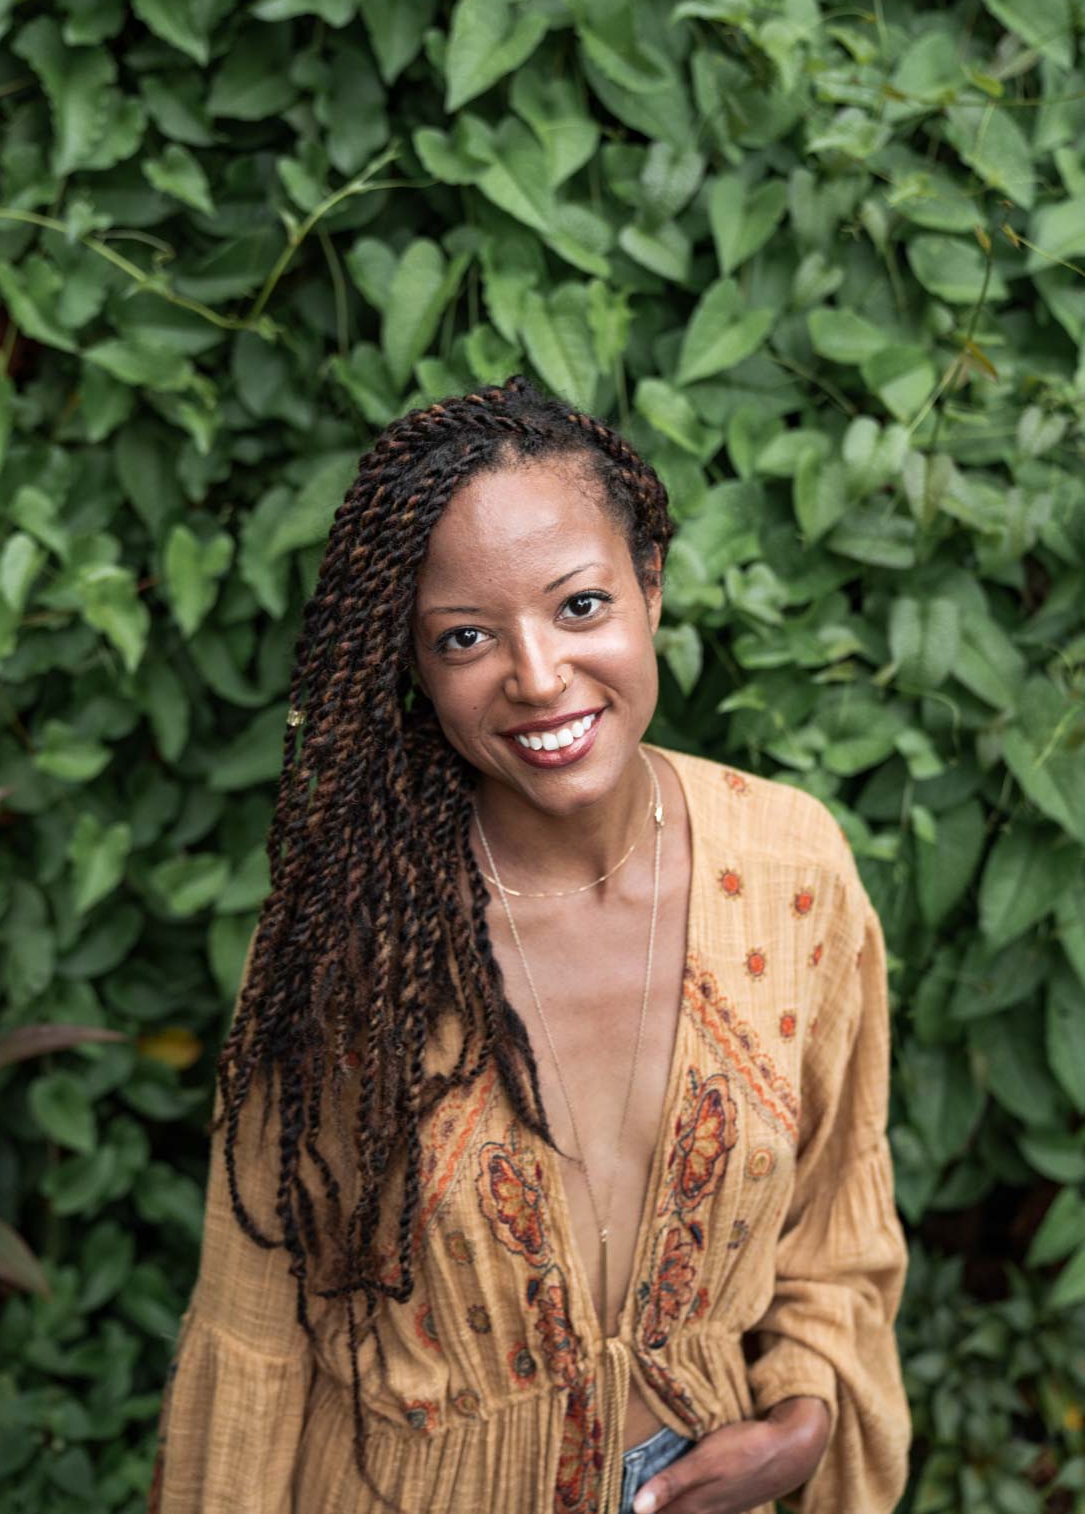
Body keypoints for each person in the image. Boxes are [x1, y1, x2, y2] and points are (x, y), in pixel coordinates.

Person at [147, 376, 911, 1514]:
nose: (539, 675)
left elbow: (839, 1222)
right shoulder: (352, 932)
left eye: (580, 606)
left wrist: (804, 1415)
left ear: (650, 584)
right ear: (414, 666)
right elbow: (254, 1317)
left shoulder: (790, 873)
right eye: (465, 636)